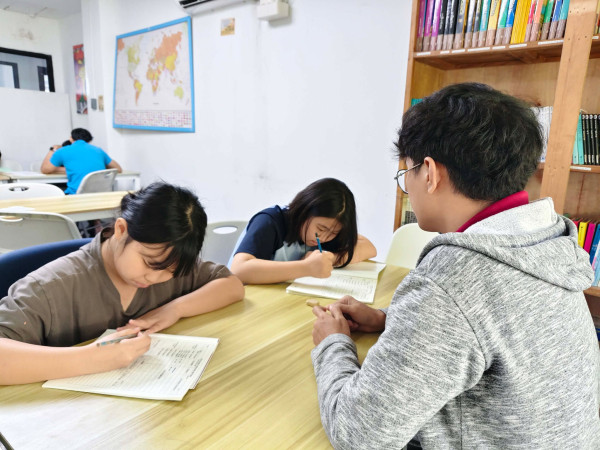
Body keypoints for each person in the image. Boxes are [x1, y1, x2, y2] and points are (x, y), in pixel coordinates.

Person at [310, 83, 600, 448]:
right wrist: (391, 319)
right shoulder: (546, 241)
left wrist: (332, 342)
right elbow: (494, 328)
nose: (407, 184)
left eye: (407, 172)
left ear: (430, 173)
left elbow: (358, 434)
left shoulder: (454, 277)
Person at [0, 182, 244, 385]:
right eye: (149, 263)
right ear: (120, 230)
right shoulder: (50, 287)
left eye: (169, 272)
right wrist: (90, 359)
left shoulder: (169, 262)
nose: (154, 278)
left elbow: (231, 285)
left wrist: (175, 309)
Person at [230, 178, 377, 284]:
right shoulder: (270, 221)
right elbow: (239, 270)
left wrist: (331, 259)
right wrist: (306, 267)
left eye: (333, 233)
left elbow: (369, 247)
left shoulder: (326, 232)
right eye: (321, 228)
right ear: (305, 210)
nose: (324, 238)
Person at [41, 128, 122, 194]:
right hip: (101, 195)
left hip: (76, 195)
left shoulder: (62, 150)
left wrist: (53, 149)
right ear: (89, 140)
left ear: (71, 138)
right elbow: (118, 169)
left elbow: (45, 170)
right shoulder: (99, 150)